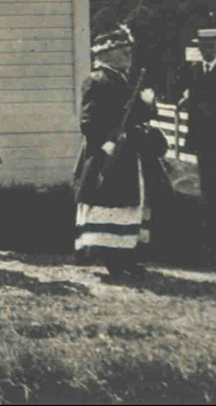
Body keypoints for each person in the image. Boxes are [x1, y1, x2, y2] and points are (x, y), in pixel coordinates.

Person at [73, 26, 158, 279]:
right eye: (122, 52)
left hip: (126, 153)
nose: (128, 56)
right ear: (107, 53)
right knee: (109, 203)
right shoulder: (96, 80)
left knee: (127, 204)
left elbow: (134, 116)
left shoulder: (124, 79)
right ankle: (113, 261)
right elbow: (88, 122)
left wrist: (146, 104)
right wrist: (105, 143)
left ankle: (126, 257)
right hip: (105, 155)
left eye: (129, 51)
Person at [177, 28, 216, 262]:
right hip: (201, 134)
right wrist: (186, 99)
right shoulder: (195, 68)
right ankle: (210, 227)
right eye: (203, 46)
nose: (207, 50)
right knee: (206, 179)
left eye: (211, 46)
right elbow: (192, 93)